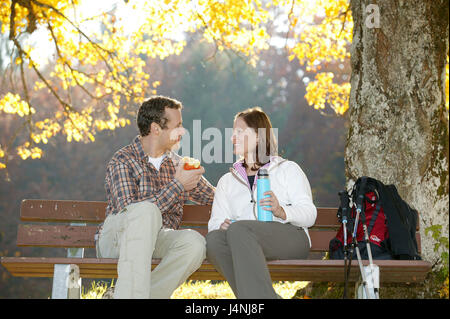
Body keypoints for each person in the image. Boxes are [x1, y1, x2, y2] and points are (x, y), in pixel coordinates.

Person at [96, 96, 215, 299]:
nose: (182, 131)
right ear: (156, 129)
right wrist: (177, 186)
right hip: (118, 239)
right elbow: (130, 214)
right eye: (177, 125)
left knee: (194, 243)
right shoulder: (123, 160)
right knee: (144, 211)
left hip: (156, 240)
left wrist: (244, 185)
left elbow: (215, 197)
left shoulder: (178, 164)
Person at [206, 107, 317, 299]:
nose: (233, 137)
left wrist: (281, 211)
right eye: (233, 133)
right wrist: (222, 226)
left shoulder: (287, 169)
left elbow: (310, 214)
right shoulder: (227, 181)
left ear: (258, 136)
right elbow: (214, 224)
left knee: (239, 230)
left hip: (290, 238)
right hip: (245, 243)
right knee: (214, 241)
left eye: (240, 132)